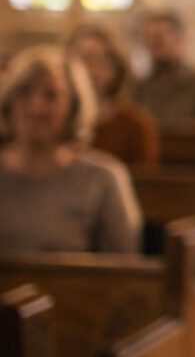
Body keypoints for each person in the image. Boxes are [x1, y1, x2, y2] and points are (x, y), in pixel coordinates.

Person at [0, 45, 142, 253]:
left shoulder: (102, 178)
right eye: (24, 92)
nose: (36, 107)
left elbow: (124, 269)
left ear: (73, 108)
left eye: (51, 96)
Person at [66, 23, 160, 168]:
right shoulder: (58, 118)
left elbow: (143, 183)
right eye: (84, 59)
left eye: (101, 60)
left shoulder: (135, 124)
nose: (92, 69)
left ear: (117, 67)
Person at [134, 9, 195, 125]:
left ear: (179, 38)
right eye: (149, 38)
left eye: (160, 38)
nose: (154, 43)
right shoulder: (139, 87)